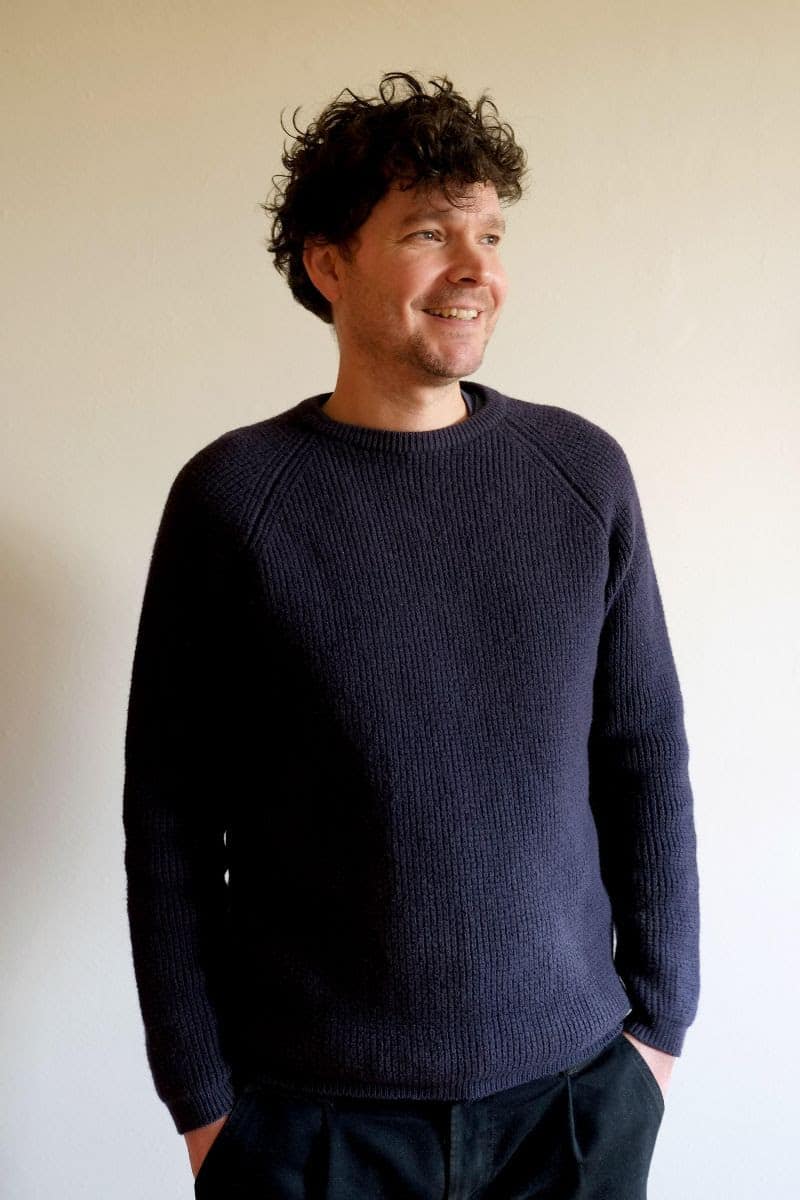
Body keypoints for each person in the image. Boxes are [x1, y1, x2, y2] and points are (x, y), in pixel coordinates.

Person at [123, 71, 700, 1199]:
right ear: (328, 265)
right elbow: (172, 820)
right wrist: (203, 1103)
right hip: (310, 1128)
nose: (477, 268)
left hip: (572, 1106)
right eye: (430, 233)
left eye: (491, 233)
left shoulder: (579, 475)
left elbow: (644, 760)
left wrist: (656, 1035)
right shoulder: (235, 500)